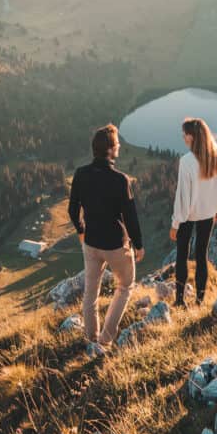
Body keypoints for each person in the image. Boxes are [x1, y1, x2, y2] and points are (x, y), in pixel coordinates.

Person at [68, 124, 145, 354]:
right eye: (117, 144)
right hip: (115, 245)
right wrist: (138, 245)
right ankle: (106, 339)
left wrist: (81, 231)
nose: (119, 146)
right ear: (111, 150)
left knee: (91, 294)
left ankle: (92, 340)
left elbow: (73, 210)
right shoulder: (120, 180)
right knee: (125, 286)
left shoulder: (81, 174)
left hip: (91, 243)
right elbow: (130, 217)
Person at [169, 116, 217, 307]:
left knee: (182, 255)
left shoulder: (187, 161)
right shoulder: (216, 155)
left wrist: (175, 223)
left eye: (185, 134)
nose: (183, 137)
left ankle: (179, 300)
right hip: (208, 214)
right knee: (202, 255)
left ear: (193, 136)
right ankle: (200, 300)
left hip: (188, 216)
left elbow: (183, 197)